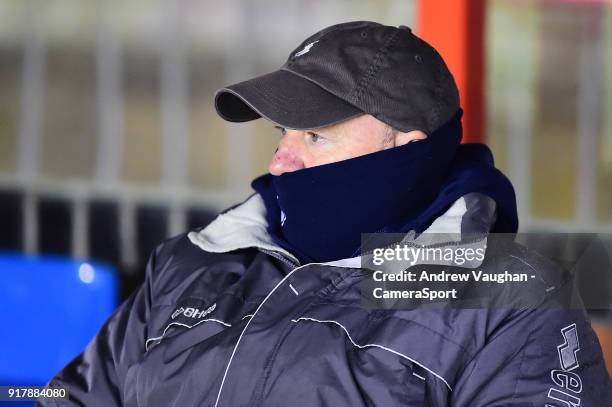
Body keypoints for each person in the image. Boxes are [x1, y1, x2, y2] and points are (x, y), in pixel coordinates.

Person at [39, 21, 610, 406]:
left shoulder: (510, 303)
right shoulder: (197, 261)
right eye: (282, 131)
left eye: (314, 136)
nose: (280, 159)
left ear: (404, 149)